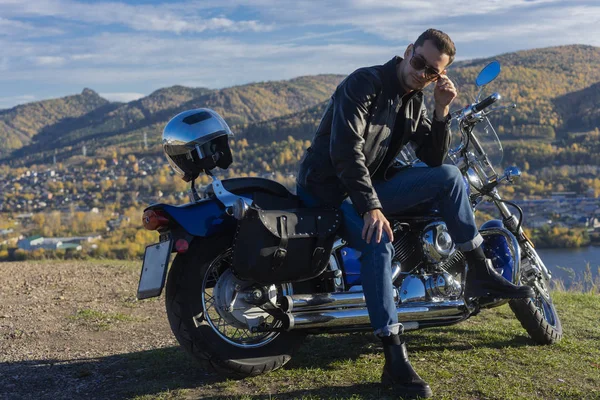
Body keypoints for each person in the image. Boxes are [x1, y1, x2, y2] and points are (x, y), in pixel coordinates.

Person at [296, 29, 534, 399]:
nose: (422, 73)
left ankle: (479, 272)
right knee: (379, 242)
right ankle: (394, 358)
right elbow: (345, 152)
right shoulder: (365, 83)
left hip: (369, 186)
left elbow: (433, 159)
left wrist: (441, 110)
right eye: (419, 63)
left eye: (432, 73)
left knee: (450, 177)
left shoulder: (414, 101)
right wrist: (373, 208)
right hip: (330, 190)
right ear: (408, 51)